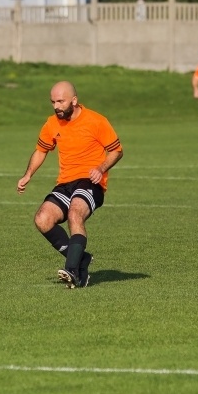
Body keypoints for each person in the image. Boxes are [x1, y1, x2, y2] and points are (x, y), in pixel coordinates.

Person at [17, 81, 123, 289]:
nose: (56, 106)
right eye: (53, 102)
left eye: (60, 101)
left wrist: (100, 168)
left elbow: (117, 150)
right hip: (66, 182)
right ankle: (81, 260)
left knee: (75, 213)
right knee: (43, 219)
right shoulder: (51, 123)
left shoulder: (96, 121)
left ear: (74, 101)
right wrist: (28, 174)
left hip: (91, 182)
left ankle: (73, 270)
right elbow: (41, 150)